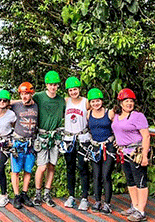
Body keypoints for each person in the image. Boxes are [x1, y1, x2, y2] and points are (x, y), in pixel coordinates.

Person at [111, 88, 150, 222]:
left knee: (140, 180)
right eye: (126, 101)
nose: (129, 103)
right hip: (124, 153)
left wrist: (144, 155)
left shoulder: (137, 116)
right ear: (120, 103)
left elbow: (146, 136)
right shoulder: (117, 115)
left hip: (135, 152)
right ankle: (135, 205)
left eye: (131, 101)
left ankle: (141, 210)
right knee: (130, 180)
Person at [32, 71, 65, 207]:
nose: (53, 87)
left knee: (52, 165)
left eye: (55, 85)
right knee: (42, 166)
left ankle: (47, 193)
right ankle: (37, 193)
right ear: (46, 85)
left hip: (55, 136)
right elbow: (25, 102)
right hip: (42, 135)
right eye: (51, 85)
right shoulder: (39, 97)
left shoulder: (61, 100)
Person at [63, 76, 91, 211]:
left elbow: (97, 111)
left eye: (75, 89)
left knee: (83, 167)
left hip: (83, 138)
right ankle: (71, 196)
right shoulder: (66, 101)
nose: (73, 92)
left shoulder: (86, 102)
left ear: (79, 89)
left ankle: (85, 197)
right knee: (70, 167)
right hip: (69, 138)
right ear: (68, 91)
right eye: (71, 90)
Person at [86, 88, 115, 214]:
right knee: (96, 175)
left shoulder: (109, 113)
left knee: (106, 175)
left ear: (101, 101)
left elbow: (118, 128)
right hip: (95, 147)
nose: (95, 104)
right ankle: (97, 201)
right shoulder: (88, 114)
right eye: (92, 102)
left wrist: (117, 141)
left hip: (108, 146)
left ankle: (107, 203)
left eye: (97, 101)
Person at [11, 82, 38, 209]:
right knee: (15, 171)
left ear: (31, 94)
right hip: (18, 142)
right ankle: (16, 196)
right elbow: (2, 102)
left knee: (28, 170)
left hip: (31, 142)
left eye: (26, 94)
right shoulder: (16, 105)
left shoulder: (37, 106)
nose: (24, 96)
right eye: (22, 94)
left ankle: (24, 193)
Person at [0, 90, 16, 207]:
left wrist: (13, 140)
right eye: (0, 100)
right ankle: (2, 193)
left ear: (8, 102)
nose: (2, 102)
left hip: (6, 143)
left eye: (4, 100)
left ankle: (5, 196)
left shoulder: (11, 114)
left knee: (1, 169)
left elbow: (16, 127)